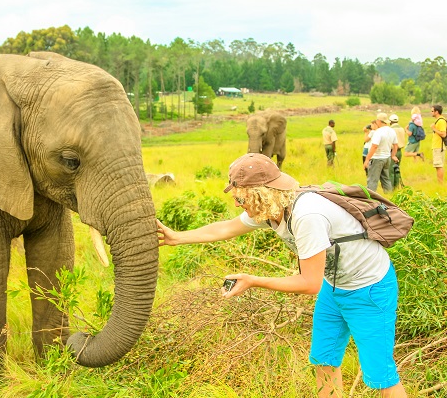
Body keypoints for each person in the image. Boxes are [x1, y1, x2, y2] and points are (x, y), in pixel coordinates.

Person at [156, 153, 407, 397]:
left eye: (241, 199)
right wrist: (177, 238)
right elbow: (227, 227)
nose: (236, 204)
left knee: (380, 376)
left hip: (369, 290)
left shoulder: (307, 216)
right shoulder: (272, 209)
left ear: (260, 195)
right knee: (324, 360)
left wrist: (253, 281)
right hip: (334, 287)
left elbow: (309, 284)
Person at [363, 113, 398, 193]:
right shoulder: (391, 131)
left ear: (379, 121)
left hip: (377, 158)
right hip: (387, 158)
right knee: (386, 179)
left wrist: (367, 159)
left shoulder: (378, 132)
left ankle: (370, 199)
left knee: (372, 180)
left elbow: (374, 146)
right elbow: (395, 145)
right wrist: (393, 156)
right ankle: (389, 196)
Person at [389, 114, 406, 188]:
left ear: (390, 121)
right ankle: (397, 186)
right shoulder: (402, 129)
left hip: (392, 151)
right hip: (399, 151)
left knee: (391, 170)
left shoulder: (390, 129)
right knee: (397, 169)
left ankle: (391, 188)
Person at [430, 105, 447, 183]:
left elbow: (443, 134)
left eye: (432, 111)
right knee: (437, 166)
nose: (431, 112)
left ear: (437, 112)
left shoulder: (441, 121)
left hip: (439, 147)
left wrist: (434, 129)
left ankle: (440, 184)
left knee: (439, 166)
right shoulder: (439, 120)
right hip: (437, 146)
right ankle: (439, 183)